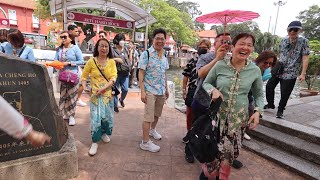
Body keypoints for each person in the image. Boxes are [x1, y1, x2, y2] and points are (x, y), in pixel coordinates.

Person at [201, 33, 264, 179]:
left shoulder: (254, 70)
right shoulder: (220, 64)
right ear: (233, 46)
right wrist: (213, 90)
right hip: (217, 120)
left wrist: (257, 112)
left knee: (227, 159)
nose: (245, 48)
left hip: (237, 123)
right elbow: (206, 83)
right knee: (211, 156)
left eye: (249, 45)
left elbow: (259, 95)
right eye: (242, 44)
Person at [265, 21, 310, 119]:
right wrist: (273, 66)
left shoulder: (304, 41)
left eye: (295, 30)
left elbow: (305, 57)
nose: (293, 32)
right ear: (287, 30)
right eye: (291, 29)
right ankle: (270, 104)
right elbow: (279, 54)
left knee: (285, 93)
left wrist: (303, 73)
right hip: (279, 69)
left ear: (299, 31)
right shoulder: (283, 40)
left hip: (291, 71)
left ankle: (280, 110)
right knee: (269, 86)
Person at [81, 38, 117, 156]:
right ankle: (95, 141)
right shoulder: (91, 61)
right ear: (97, 47)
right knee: (95, 119)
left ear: (109, 48)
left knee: (107, 117)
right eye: (101, 46)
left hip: (107, 96)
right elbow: (84, 76)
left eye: (106, 46)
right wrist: (85, 87)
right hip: (95, 96)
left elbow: (113, 78)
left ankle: (103, 133)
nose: (104, 48)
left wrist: (103, 88)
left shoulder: (111, 62)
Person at [138, 28, 169, 153]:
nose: (160, 41)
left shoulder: (164, 55)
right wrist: (142, 91)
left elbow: (164, 73)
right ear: (153, 39)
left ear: (165, 41)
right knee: (148, 117)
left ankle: (152, 130)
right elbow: (141, 73)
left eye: (162, 39)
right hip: (149, 90)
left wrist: (166, 88)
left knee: (157, 114)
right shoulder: (147, 54)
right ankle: (145, 142)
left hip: (161, 90)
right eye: (157, 38)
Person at [182, 38, 211, 163]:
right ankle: (190, 138)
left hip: (206, 94)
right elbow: (186, 76)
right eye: (201, 46)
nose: (202, 48)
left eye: (205, 46)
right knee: (190, 116)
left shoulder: (212, 61)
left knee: (203, 122)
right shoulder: (193, 61)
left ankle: (194, 139)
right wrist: (183, 89)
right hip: (193, 91)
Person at [55, 31, 84, 126]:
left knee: (72, 96)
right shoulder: (59, 49)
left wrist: (69, 63)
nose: (63, 39)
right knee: (63, 96)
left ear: (71, 38)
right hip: (62, 76)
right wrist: (56, 65)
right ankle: (62, 115)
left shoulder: (75, 48)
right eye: (61, 37)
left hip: (72, 76)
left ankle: (71, 116)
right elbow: (56, 61)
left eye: (65, 37)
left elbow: (81, 61)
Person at [112, 33, 131, 113]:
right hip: (116, 73)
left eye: (124, 40)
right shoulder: (112, 50)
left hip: (125, 73)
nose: (123, 41)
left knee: (125, 89)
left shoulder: (126, 49)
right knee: (115, 90)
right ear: (117, 41)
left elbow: (129, 60)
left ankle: (121, 99)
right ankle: (115, 105)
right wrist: (116, 59)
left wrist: (131, 52)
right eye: (121, 40)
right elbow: (109, 59)